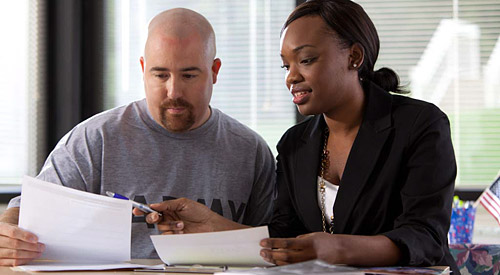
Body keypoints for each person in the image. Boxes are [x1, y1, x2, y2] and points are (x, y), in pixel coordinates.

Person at [139, 0, 459, 273]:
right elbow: (285, 238)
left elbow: (425, 236)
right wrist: (213, 226)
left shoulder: (418, 124)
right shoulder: (294, 144)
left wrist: (335, 249)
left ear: (354, 57)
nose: (292, 76)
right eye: (285, 66)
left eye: (306, 60)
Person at [0, 8, 275, 266]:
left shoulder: (250, 151)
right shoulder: (95, 140)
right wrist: (9, 234)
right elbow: (25, 212)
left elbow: (273, 247)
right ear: (143, 69)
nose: (173, 91)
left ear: (214, 72)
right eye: (160, 75)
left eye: (189, 75)